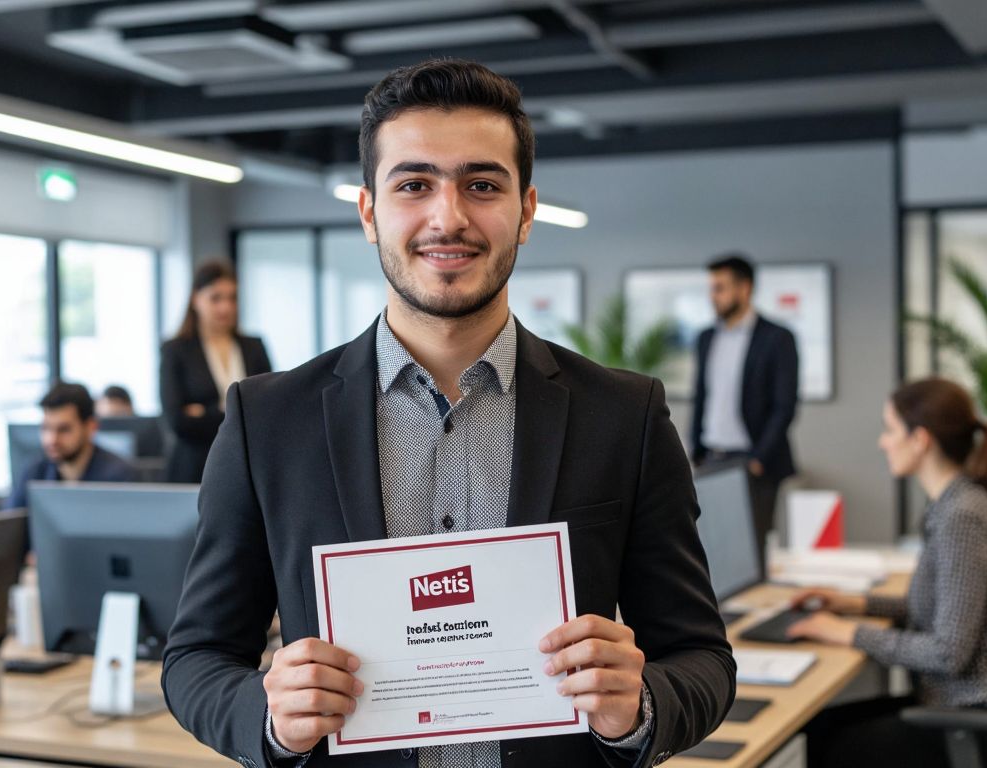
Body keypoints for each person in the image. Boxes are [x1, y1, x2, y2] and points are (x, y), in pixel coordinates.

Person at [162, 59, 735, 768]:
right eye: (414, 184)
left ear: (525, 210)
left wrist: (639, 705)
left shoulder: (624, 415)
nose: (449, 217)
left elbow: (702, 657)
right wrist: (271, 716)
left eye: (482, 184)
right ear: (370, 212)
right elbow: (195, 660)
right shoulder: (267, 422)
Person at [785, 378, 987, 768]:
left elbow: (948, 652)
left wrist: (846, 632)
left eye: (890, 430)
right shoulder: (954, 503)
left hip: (977, 719)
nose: (882, 442)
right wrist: (851, 603)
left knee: (823, 742)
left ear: (920, 440)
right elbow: (940, 605)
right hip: (962, 706)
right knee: (818, 728)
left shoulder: (962, 517)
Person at [689, 253, 798, 560]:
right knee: (711, 547)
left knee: (752, 549)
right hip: (711, 458)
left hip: (753, 462)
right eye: (712, 288)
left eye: (720, 288)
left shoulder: (777, 338)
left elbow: (785, 406)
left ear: (745, 288)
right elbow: (702, 396)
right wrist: (695, 449)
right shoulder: (706, 338)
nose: (714, 296)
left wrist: (759, 459)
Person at [159, 261, 272, 484]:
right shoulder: (176, 350)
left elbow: (269, 408)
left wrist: (205, 412)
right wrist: (239, 414)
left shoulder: (253, 347)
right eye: (216, 298)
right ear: (195, 299)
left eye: (232, 298)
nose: (226, 307)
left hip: (247, 466)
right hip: (194, 469)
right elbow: (176, 421)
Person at [5, 382, 137, 509]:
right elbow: (9, 527)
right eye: (46, 428)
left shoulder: (119, 477)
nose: (52, 439)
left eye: (64, 429)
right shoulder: (34, 473)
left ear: (91, 427)